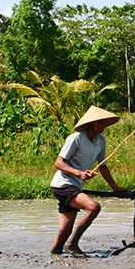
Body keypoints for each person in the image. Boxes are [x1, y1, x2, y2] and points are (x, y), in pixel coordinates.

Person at [49, 106, 126, 257]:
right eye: (101, 123)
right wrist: (79, 173)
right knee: (93, 207)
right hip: (63, 184)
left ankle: (54, 256)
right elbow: (59, 163)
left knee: (64, 232)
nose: (104, 126)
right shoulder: (76, 138)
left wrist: (115, 187)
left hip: (75, 186)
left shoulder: (100, 141)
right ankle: (72, 244)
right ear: (92, 123)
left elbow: (102, 166)